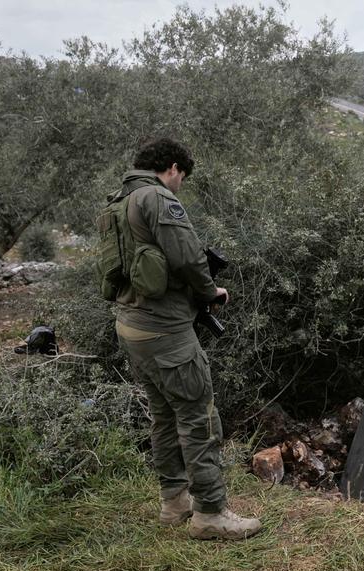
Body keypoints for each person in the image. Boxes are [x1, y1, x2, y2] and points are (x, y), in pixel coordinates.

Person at [108, 137, 262, 540]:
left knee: (163, 415)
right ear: (173, 168)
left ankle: (174, 502)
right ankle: (210, 513)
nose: (180, 186)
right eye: (182, 178)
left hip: (132, 325)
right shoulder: (158, 199)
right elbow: (188, 256)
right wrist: (211, 292)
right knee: (198, 417)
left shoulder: (119, 202)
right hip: (165, 329)